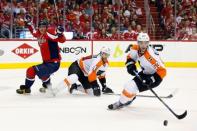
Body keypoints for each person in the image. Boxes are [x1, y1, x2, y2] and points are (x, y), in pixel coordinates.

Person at [108, 32, 167, 110]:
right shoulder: (135, 48)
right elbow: (130, 57)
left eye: (145, 43)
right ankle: (129, 99)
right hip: (144, 73)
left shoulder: (151, 56)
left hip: (155, 77)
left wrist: (151, 79)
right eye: (141, 43)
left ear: (148, 43)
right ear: (138, 43)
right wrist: (130, 65)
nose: (143, 45)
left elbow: (163, 71)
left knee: (129, 87)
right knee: (128, 86)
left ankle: (121, 103)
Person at [16, 15, 66, 94]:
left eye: (43, 26)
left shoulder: (50, 32)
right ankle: (48, 87)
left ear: (46, 27)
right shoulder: (39, 34)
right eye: (40, 27)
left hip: (53, 63)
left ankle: (26, 88)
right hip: (47, 63)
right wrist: (28, 23)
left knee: (31, 70)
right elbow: (33, 31)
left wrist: (60, 33)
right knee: (43, 75)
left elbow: (62, 40)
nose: (42, 28)